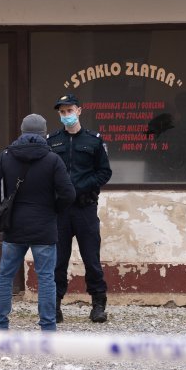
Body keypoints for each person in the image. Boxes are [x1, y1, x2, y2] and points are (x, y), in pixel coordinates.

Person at [0, 114, 75, 331]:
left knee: (5, 276)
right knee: (46, 278)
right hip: (44, 226)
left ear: (22, 131)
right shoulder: (53, 159)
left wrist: (8, 202)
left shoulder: (6, 155)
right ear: (44, 133)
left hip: (14, 225)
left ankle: (1, 325)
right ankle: (47, 327)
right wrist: (54, 208)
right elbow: (68, 194)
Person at [48, 94, 113, 323]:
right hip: (61, 211)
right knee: (58, 260)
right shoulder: (52, 140)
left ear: (79, 110)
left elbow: (104, 172)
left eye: (69, 111)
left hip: (85, 209)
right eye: (62, 112)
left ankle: (98, 304)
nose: (66, 115)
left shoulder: (94, 140)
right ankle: (54, 305)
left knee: (91, 259)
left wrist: (79, 187)